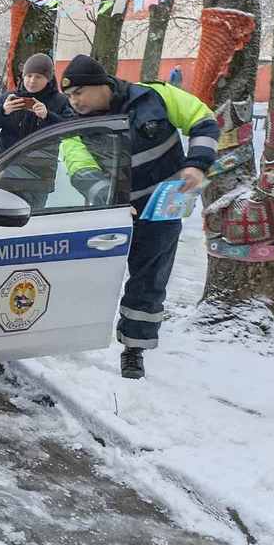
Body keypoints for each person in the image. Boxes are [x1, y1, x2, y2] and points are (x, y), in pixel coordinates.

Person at [58, 54, 219, 380]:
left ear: (100, 85)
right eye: (69, 96)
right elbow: (78, 164)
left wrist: (196, 164)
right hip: (115, 210)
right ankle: (72, 334)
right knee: (94, 274)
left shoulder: (153, 96)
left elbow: (203, 120)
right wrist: (107, 197)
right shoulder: (74, 123)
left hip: (163, 206)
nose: (73, 102)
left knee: (149, 279)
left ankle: (134, 349)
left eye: (78, 93)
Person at [0, 53, 70, 155]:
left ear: (48, 79)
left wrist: (48, 116)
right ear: (23, 76)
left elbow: (71, 132)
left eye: (38, 77)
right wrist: (2, 111)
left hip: (41, 165)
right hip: (6, 162)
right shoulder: (9, 98)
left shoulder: (60, 101)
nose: (32, 81)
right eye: (29, 76)